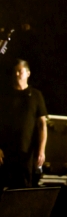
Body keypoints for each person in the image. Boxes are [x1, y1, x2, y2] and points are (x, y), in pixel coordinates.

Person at [0, 59, 47, 190]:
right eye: (15, 71)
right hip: (5, 153)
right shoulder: (5, 95)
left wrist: (41, 150)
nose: (17, 74)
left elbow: (42, 125)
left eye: (20, 71)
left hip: (26, 154)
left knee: (23, 189)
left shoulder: (36, 95)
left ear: (28, 73)